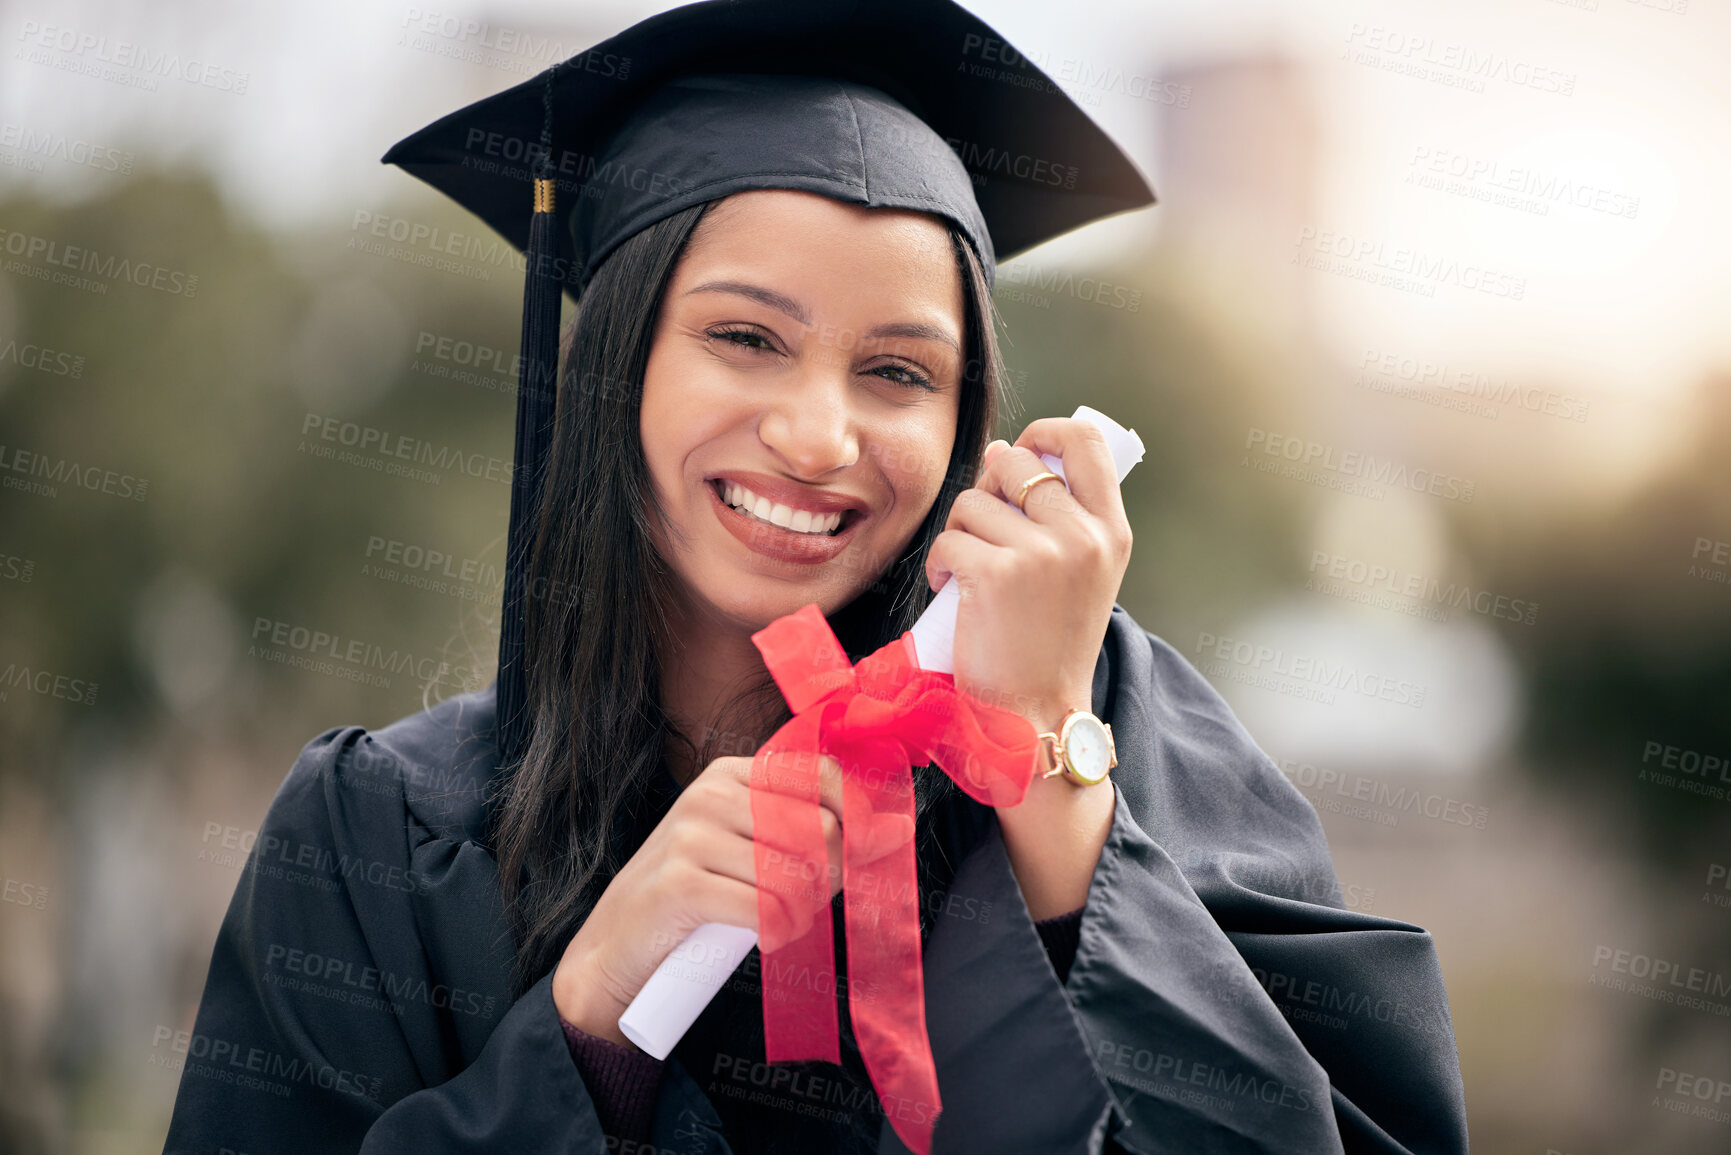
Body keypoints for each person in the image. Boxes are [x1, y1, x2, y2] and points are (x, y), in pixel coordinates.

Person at [162, 2, 1469, 1153]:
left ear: (965, 422)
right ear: (614, 365)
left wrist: (1058, 797)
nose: (818, 435)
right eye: (745, 338)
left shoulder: (1116, 729)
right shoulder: (383, 833)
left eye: (897, 371)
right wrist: (588, 1038)